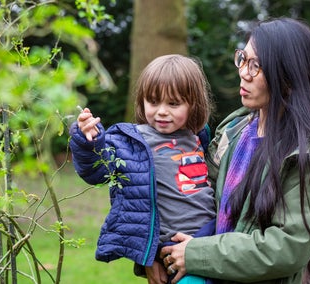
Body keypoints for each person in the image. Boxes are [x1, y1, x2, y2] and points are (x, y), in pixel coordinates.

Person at [159, 18, 310, 284]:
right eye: (243, 59)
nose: (244, 73)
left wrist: (197, 255)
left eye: (256, 65)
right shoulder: (233, 130)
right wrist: (157, 256)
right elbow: (193, 198)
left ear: (287, 76)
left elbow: (288, 247)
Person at [69, 54, 217, 284]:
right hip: (172, 246)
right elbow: (96, 171)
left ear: (194, 104)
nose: (161, 111)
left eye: (173, 103)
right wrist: (89, 141)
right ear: (142, 101)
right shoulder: (131, 141)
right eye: (154, 101)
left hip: (210, 237)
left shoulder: (198, 136)